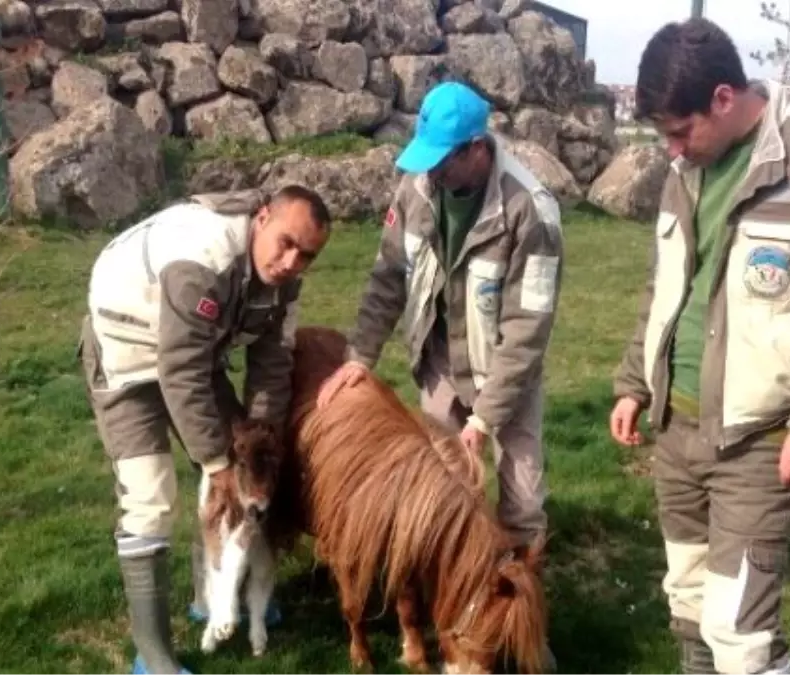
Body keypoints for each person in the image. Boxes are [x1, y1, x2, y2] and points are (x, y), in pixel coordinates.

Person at [608, 18, 790, 675]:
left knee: (741, 632)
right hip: (676, 428)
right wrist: (633, 381)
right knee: (691, 602)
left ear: (725, 99)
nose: (672, 150)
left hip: (757, 438)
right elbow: (667, 285)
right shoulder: (689, 168)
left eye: (680, 131)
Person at [315, 80, 564, 669]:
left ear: (478, 147)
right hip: (436, 366)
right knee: (440, 504)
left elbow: (528, 328)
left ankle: (526, 625)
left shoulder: (532, 209)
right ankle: (454, 609)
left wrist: (483, 419)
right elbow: (386, 279)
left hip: (505, 374)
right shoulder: (417, 188)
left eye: (444, 159)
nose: (433, 173)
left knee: (521, 503)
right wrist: (358, 358)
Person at [78, 186, 332, 675]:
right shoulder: (203, 260)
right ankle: (154, 656)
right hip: (125, 357)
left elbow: (273, 362)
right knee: (150, 498)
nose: (291, 262)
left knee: (239, 466)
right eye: (285, 243)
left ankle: (209, 595)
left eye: (307, 255)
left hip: (192, 353)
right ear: (261, 219)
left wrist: (262, 439)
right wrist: (216, 464)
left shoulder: (285, 279)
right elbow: (180, 374)